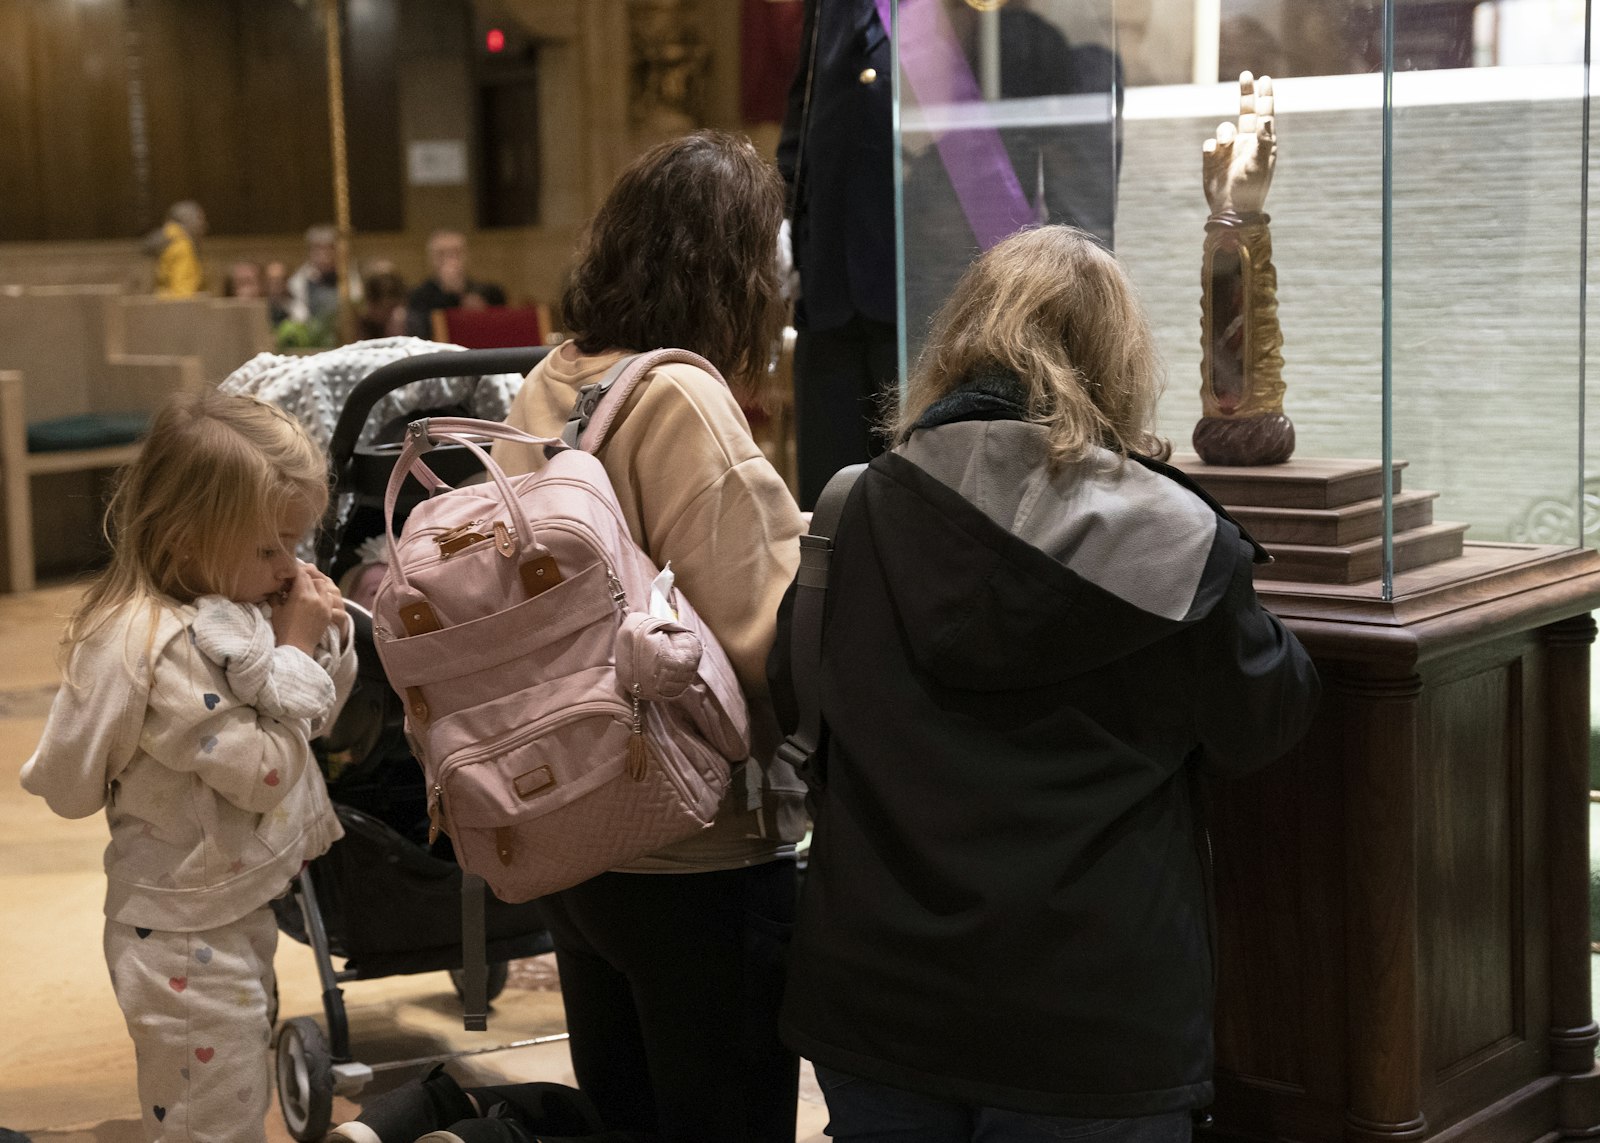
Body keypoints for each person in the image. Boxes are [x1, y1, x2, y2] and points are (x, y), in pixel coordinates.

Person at [771, 225, 1320, 1142]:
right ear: (1115, 364)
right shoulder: (1177, 541)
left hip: (877, 1001)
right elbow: (1268, 714)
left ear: (959, 344)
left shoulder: (852, 510)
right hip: (1088, 1033)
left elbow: (794, 694)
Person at [493, 130, 805, 1143]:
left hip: (576, 834)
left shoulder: (553, 379)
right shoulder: (678, 397)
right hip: (693, 853)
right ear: (736, 271)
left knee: (624, 1120)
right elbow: (769, 635)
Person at [19, 390, 356, 1143]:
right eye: (269, 548)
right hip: (179, 934)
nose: (287, 567)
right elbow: (270, 766)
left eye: (295, 544)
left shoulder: (228, 606)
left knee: (221, 1100)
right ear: (184, 539)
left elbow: (317, 716)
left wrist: (322, 638)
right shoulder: (165, 651)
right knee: (213, 1121)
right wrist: (295, 648)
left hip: (222, 910)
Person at [777, 0, 896, 511]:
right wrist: (781, 219)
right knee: (829, 505)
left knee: (917, 505)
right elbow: (803, 117)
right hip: (828, 287)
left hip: (917, 292)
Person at [404, 229, 507, 337]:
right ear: (431, 259)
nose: (450, 259)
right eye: (441, 254)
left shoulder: (489, 292)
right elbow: (421, 332)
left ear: (467, 256)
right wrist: (449, 292)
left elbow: (501, 325)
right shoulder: (419, 295)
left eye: (456, 253)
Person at [286, 223, 360, 326]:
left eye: (329, 248)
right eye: (318, 248)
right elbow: (298, 314)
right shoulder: (299, 281)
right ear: (310, 251)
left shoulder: (348, 275)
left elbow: (356, 300)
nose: (324, 254)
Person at [149, 200, 208, 297]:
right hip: (177, 309)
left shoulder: (168, 239)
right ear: (187, 220)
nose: (204, 226)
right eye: (199, 219)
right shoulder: (182, 246)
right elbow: (183, 294)